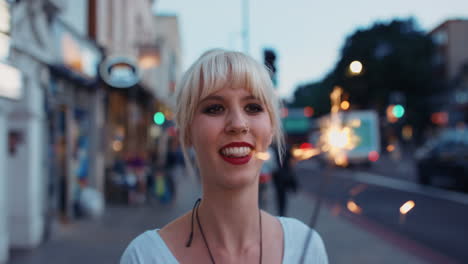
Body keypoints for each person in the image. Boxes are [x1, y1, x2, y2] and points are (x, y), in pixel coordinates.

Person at [120, 49, 328, 263]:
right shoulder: (145, 256)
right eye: (215, 108)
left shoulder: (306, 247)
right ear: (187, 131)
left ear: (272, 128)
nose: (238, 124)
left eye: (253, 107)